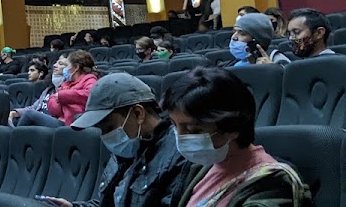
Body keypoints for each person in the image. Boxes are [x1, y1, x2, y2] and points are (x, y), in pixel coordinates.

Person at [39, 73, 189, 207]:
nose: (105, 136)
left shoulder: (179, 155)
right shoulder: (124, 152)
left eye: (109, 127)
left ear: (138, 114)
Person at [166, 68, 310, 206]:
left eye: (194, 130)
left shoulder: (272, 186)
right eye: (174, 125)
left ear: (232, 128)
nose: (180, 136)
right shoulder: (200, 167)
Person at [21, 51, 98, 128]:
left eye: (68, 65)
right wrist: (67, 104)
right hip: (61, 120)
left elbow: (89, 95)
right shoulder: (67, 83)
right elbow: (52, 105)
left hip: (74, 123)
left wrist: (62, 97)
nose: (66, 69)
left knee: (29, 115)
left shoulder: (89, 79)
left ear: (76, 68)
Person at [10, 59, 59, 126]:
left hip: (50, 121)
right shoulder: (48, 90)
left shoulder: (65, 91)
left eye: (32, 70)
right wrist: (15, 112)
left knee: (29, 115)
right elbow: (34, 107)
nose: (28, 73)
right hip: (37, 119)